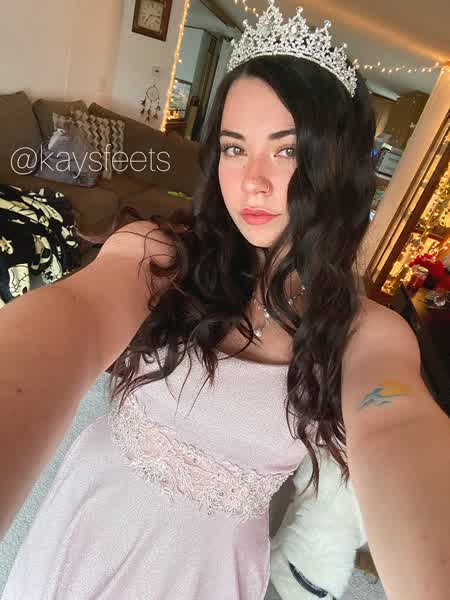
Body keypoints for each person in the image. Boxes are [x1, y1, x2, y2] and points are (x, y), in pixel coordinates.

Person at [1, 2, 449, 599]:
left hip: (210, 571)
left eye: (287, 150)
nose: (252, 181)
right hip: (90, 523)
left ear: (336, 165)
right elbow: (70, 317)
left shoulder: (366, 331)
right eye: (235, 148)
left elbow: (397, 423)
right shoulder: (156, 254)